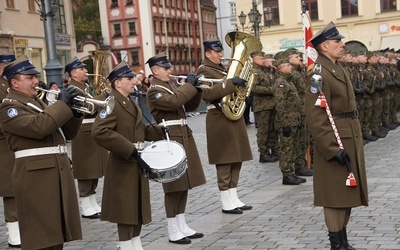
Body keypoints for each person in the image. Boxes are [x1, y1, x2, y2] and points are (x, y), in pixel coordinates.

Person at [0, 55, 83, 249]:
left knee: (56, 235)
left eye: (35, 77)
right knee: (41, 236)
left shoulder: (38, 102)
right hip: (36, 177)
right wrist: (61, 105)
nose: (36, 81)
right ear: (15, 82)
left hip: (55, 173)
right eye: (29, 78)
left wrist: (75, 113)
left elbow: (68, 133)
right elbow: (39, 127)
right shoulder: (9, 107)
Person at [305, 22, 368, 249]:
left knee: (346, 194)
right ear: (324, 47)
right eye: (337, 42)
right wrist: (332, 148)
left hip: (350, 136)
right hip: (335, 141)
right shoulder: (319, 74)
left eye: (341, 41)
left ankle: (343, 242)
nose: (342, 45)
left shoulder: (337, 67)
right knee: (334, 196)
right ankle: (336, 244)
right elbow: (316, 116)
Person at [91, 62, 165, 249]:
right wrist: (127, 147)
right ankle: (125, 245)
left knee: (137, 206)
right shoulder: (110, 102)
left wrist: (158, 131)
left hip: (137, 160)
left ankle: (135, 243)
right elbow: (99, 131)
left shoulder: (130, 101)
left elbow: (138, 130)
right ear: (117, 83)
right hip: (122, 162)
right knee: (125, 209)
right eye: (129, 78)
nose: (134, 81)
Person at [146, 52, 206, 244]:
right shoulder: (154, 90)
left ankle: (182, 223)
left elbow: (188, 106)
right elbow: (174, 102)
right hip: (170, 137)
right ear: (155, 71)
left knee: (184, 183)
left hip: (182, 134)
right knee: (173, 187)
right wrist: (188, 86)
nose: (170, 71)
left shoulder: (170, 86)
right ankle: (172, 229)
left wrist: (196, 89)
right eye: (166, 68)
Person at [196, 37, 253, 214]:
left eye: (221, 51)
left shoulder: (220, 69)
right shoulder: (203, 70)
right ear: (208, 53)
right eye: (217, 52)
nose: (221, 54)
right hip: (218, 117)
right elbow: (207, 94)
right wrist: (231, 83)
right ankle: (225, 201)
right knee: (224, 160)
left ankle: (233, 197)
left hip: (232, 116)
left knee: (237, 158)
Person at [65, 57, 108, 219]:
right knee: (85, 169)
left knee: (95, 168)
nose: (85, 71)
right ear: (73, 73)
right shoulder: (73, 89)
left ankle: (92, 200)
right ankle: (85, 203)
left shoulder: (84, 86)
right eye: (81, 69)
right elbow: (88, 108)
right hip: (82, 131)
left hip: (91, 129)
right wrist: (103, 97)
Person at [272, 55, 305, 185]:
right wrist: (285, 123)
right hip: (287, 122)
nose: (290, 67)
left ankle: (291, 172)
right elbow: (280, 105)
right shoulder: (281, 83)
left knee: (293, 147)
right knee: (286, 149)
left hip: (293, 120)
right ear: (280, 68)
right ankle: (286, 174)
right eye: (288, 65)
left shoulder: (288, 81)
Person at [0, 52, 21, 248]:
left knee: (22, 186)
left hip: (18, 143)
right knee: (11, 190)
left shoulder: (10, 87)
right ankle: (14, 233)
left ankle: (23, 228)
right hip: (3, 145)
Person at [284, 48, 313, 177]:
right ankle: (299, 165)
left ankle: (302, 163)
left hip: (303, 108)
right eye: (296, 57)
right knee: (299, 140)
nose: (300, 59)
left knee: (304, 138)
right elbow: (303, 89)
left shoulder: (298, 72)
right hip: (298, 110)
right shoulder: (294, 74)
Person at [251, 51, 278, 163]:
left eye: (263, 58)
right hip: (262, 105)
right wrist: (271, 90)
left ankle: (273, 150)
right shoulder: (254, 72)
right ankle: (263, 153)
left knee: (272, 129)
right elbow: (254, 88)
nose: (263, 60)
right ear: (253, 59)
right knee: (263, 130)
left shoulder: (264, 71)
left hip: (271, 104)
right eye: (261, 58)